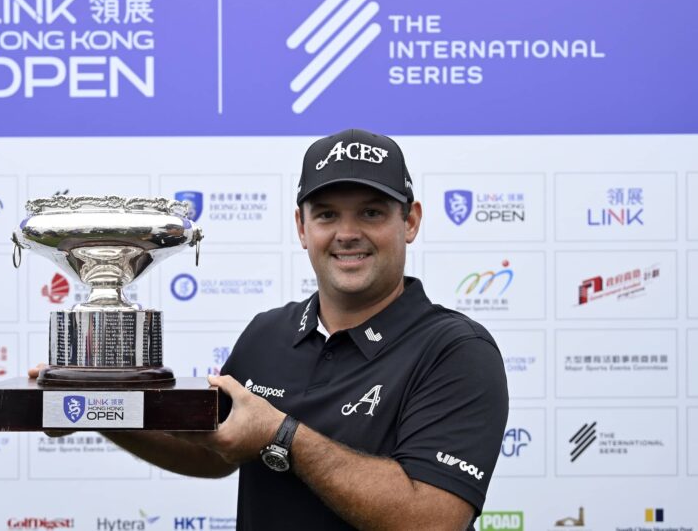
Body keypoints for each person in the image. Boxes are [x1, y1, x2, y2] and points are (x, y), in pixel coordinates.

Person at [31, 128, 509, 530]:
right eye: (326, 214)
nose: (347, 233)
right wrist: (95, 407)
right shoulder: (268, 332)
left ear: (410, 222)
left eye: (371, 212)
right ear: (302, 228)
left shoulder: (456, 350)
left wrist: (281, 436)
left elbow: (432, 519)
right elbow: (214, 452)